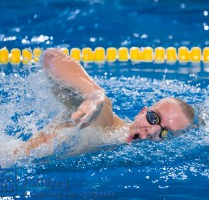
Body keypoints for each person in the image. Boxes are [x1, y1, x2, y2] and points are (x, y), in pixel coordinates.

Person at [19, 49, 195, 155]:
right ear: (142, 112)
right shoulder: (106, 124)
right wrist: (95, 94)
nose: (153, 130)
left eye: (165, 133)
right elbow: (52, 57)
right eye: (154, 118)